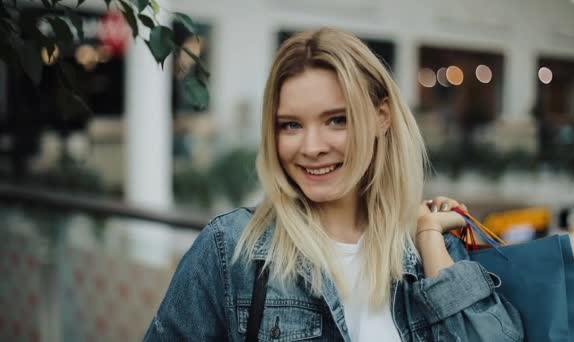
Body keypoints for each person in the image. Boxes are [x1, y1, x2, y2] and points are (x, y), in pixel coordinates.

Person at [144, 28, 523, 341]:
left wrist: (427, 237)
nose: (311, 148)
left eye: (337, 120)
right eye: (291, 125)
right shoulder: (230, 251)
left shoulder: (432, 252)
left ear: (381, 117)